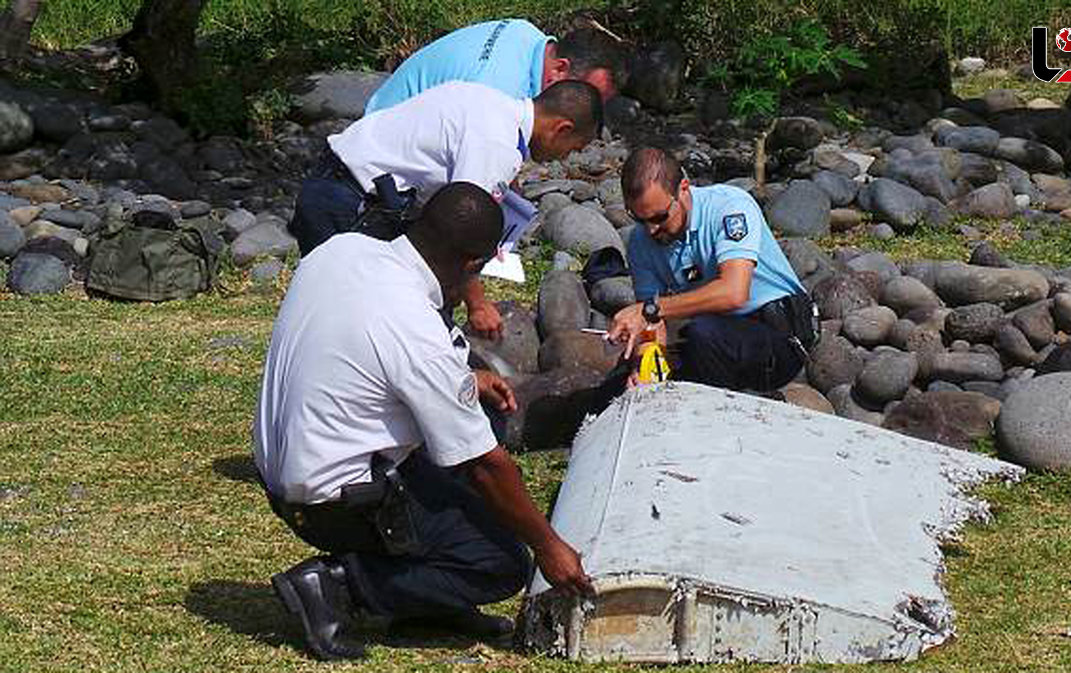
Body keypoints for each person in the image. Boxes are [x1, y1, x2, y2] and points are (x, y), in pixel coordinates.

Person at [256, 183, 593, 661]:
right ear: (473, 265)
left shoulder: (342, 249)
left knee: (482, 430)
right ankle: (337, 585)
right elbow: (486, 467)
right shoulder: (413, 324)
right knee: (498, 561)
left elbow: (365, 354)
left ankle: (427, 601)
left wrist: (468, 379)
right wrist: (549, 546)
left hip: (284, 469)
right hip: (333, 500)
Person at [287, 79, 604, 338]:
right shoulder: (498, 144)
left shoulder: (487, 98)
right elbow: (461, 231)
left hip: (334, 180)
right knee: (343, 320)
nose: (563, 159)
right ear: (561, 128)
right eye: (572, 148)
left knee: (328, 308)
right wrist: (478, 305)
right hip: (351, 202)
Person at [605, 147, 820, 393]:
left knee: (704, 334)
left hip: (779, 337)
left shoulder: (729, 207)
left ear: (683, 189)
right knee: (619, 384)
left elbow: (733, 293)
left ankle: (728, 413)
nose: (651, 230)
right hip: (718, 334)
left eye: (659, 217)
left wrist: (650, 309)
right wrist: (646, 368)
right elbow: (651, 324)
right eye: (640, 219)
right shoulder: (641, 242)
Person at [364, 19, 626, 114]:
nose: (588, 111)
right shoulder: (498, 91)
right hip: (379, 156)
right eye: (588, 97)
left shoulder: (526, 33)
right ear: (559, 68)